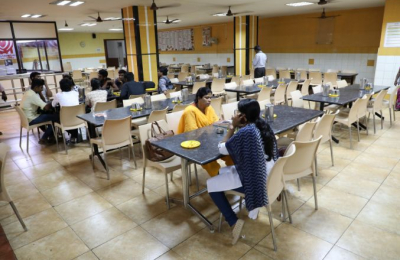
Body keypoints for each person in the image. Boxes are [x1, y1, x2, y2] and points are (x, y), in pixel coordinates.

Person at [207, 99, 278, 245]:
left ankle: (233, 222)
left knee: (210, 184)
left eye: (238, 112)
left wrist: (232, 127)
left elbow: (222, 147)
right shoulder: (263, 125)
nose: (236, 114)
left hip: (255, 182)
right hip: (269, 177)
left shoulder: (247, 132)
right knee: (222, 171)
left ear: (244, 117)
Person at [177, 87, 233, 177]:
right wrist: (212, 127)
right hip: (193, 144)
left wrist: (227, 123)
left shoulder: (208, 108)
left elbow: (217, 122)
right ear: (199, 98)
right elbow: (192, 133)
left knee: (230, 152)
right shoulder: (190, 111)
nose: (209, 100)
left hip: (208, 140)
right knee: (208, 160)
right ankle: (219, 177)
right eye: (206, 98)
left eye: (210, 97)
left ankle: (234, 176)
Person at [20, 79, 59, 145]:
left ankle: (51, 136)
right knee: (57, 117)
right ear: (36, 87)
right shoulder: (33, 95)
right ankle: (44, 138)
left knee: (49, 116)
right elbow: (46, 107)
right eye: (41, 87)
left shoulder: (28, 92)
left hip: (27, 118)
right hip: (32, 119)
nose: (42, 90)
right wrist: (54, 102)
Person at [52, 78, 80, 143]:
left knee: (55, 117)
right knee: (72, 114)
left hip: (65, 121)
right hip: (78, 119)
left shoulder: (58, 95)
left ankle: (55, 136)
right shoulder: (76, 93)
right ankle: (74, 136)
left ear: (60, 87)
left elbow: (53, 105)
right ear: (71, 86)